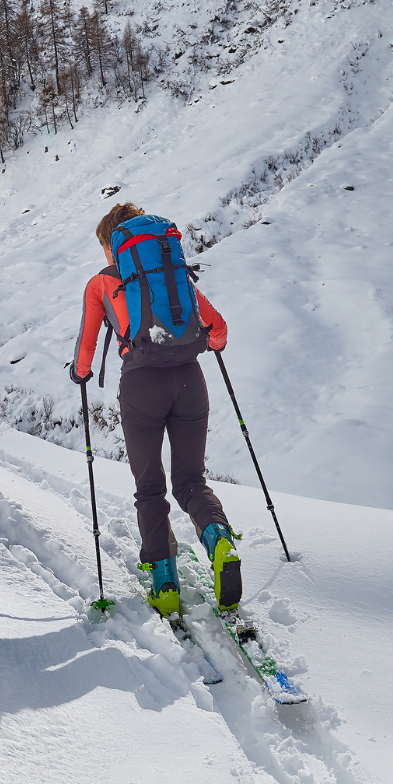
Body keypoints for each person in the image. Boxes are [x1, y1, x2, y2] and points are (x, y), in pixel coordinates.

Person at [68, 202, 238, 616]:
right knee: (191, 480)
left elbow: (86, 353)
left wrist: (80, 373)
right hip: (190, 381)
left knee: (149, 485)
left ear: (113, 245)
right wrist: (211, 344)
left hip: (141, 387)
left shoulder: (101, 285)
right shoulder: (171, 275)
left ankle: (164, 582)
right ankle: (219, 539)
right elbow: (217, 328)